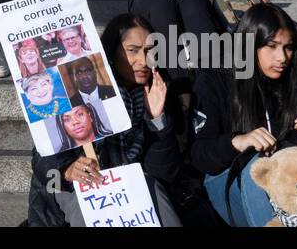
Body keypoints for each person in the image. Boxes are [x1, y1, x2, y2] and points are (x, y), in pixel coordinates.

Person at [191, 4, 297, 227]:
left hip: (293, 187)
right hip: (231, 183)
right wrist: (236, 142)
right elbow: (199, 155)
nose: (282, 57)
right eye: (272, 46)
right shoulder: (216, 80)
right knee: (255, 166)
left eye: (288, 48)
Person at [28, 13, 183, 226]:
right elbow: (42, 156)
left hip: (131, 181)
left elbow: (164, 174)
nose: (144, 61)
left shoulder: (157, 91)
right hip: (74, 184)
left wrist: (157, 120)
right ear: (111, 52)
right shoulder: (78, 90)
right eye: (132, 51)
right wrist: (67, 169)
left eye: (150, 51)